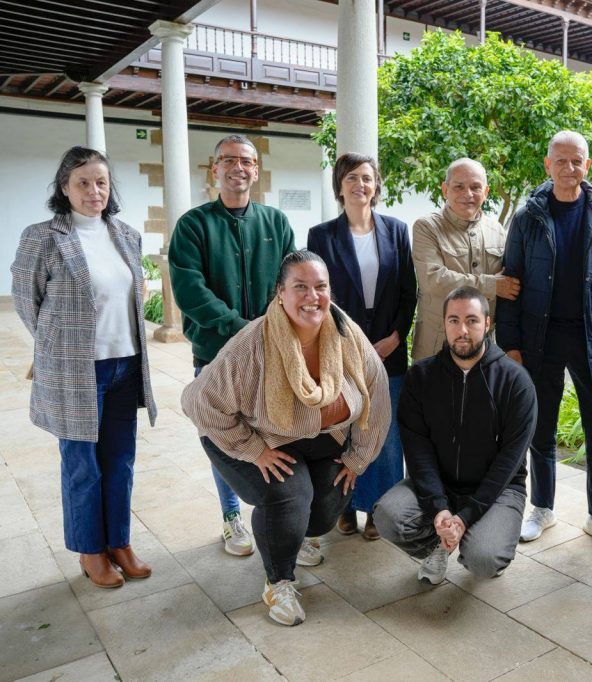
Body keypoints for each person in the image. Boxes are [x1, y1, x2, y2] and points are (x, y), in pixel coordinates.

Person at [181, 250, 390, 626]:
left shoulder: (347, 334)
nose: (312, 296)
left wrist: (358, 457)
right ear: (280, 293)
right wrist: (253, 449)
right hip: (256, 436)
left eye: (320, 287)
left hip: (319, 436)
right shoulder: (254, 343)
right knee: (289, 496)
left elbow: (377, 393)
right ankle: (278, 580)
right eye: (300, 287)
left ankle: (297, 536)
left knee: (328, 505)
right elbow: (197, 401)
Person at [11, 146, 157, 589]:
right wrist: (56, 349)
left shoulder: (126, 234)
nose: (93, 191)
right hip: (77, 371)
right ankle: (90, 550)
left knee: (120, 461)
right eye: (83, 183)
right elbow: (25, 299)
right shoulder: (43, 236)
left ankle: (119, 542)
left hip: (125, 365)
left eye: (101, 182)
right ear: (64, 188)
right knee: (82, 465)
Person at [496, 130, 592, 551]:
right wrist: (511, 343)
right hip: (540, 336)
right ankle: (542, 507)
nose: (568, 168)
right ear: (547, 165)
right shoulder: (527, 218)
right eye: (560, 160)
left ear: (587, 165)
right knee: (540, 428)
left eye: (576, 160)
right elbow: (511, 281)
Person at [169, 134, 295, 558]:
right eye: (229, 160)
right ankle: (230, 518)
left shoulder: (275, 223)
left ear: (256, 171)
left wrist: (268, 328)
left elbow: (288, 285)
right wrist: (244, 329)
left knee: (277, 435)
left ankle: (285, 516)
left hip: (271, 353)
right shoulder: (192, 225)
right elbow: (191, 290)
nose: (238, 168)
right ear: (215, 169)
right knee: (224, 437)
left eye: (247, 161)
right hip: (215, 356)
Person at [375, 286, 537, 583]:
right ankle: (440, 542)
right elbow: (418, 450)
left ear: (487, 324)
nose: (462, 330)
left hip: (498, 490)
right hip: (443, 483)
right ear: (444, 323)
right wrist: (440, 509)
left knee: (484, 559)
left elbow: (509, 462)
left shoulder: (516, 382)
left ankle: (473, 537)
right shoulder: (421, 377)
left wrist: (466, 517)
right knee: (387, 516)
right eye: (454, 320)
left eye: (472, 320)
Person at [307, 153, 415, 541]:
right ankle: (347, 507)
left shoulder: (397, 231)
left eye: (367, 178)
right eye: (352, 178)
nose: (360, 185)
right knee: (346, 428)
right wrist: (345, 340)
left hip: (389, 348)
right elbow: (320, 295)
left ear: (376, 185)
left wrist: (396, 336)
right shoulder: (322, 235)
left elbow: (408, 292)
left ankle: (380, 510)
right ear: (340, 186)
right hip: (341, 348)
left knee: (385, 433)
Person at [410, 158, 519, 360]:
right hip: (435, 347)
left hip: (483, 349)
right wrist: (492, 285)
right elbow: (433, 280)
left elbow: (510, 286)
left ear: (486, 192)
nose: (467, 194)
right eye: (459, 186)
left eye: (475, 187)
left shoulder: (497, 231)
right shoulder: (426, 227)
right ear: (445, 190)